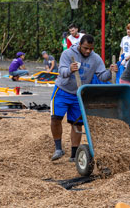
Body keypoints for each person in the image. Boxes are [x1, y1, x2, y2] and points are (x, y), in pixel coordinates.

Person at [50, 34, 117, 162]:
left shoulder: (96, 59)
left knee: (77, 123)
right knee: (56, 118)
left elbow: (102, 76)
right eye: (86, 48)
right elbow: (61, 72)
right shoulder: (68, 54)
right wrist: (70, 69)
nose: (88, 51)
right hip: (63, 91)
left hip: (79, 94)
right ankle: (58, 148)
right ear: (80, 45)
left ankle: (74, 155)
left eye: (91, 49)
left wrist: (110, 72)